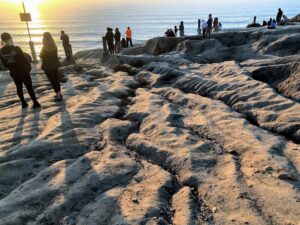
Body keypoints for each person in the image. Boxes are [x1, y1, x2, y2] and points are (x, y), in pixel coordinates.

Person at [0, 32, 40, 108]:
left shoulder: (1, 52)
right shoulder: (16, 48)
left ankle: (23, 103)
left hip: (14, 72)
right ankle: (35, 102)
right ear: (10, 39)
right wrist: (28, 66)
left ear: (2, 40)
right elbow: (24, 60)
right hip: (23, 71)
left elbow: (4, 64)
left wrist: (11, 66)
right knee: (29, 87)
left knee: (19, 87)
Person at [40, 32, 63, 102]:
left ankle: (58, 96)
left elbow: (41, 56)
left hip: (48, 67)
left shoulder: (44, 48)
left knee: (53, 81)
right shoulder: (54, 46)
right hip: (55, 65)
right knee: (56, 80)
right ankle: (59, 93)